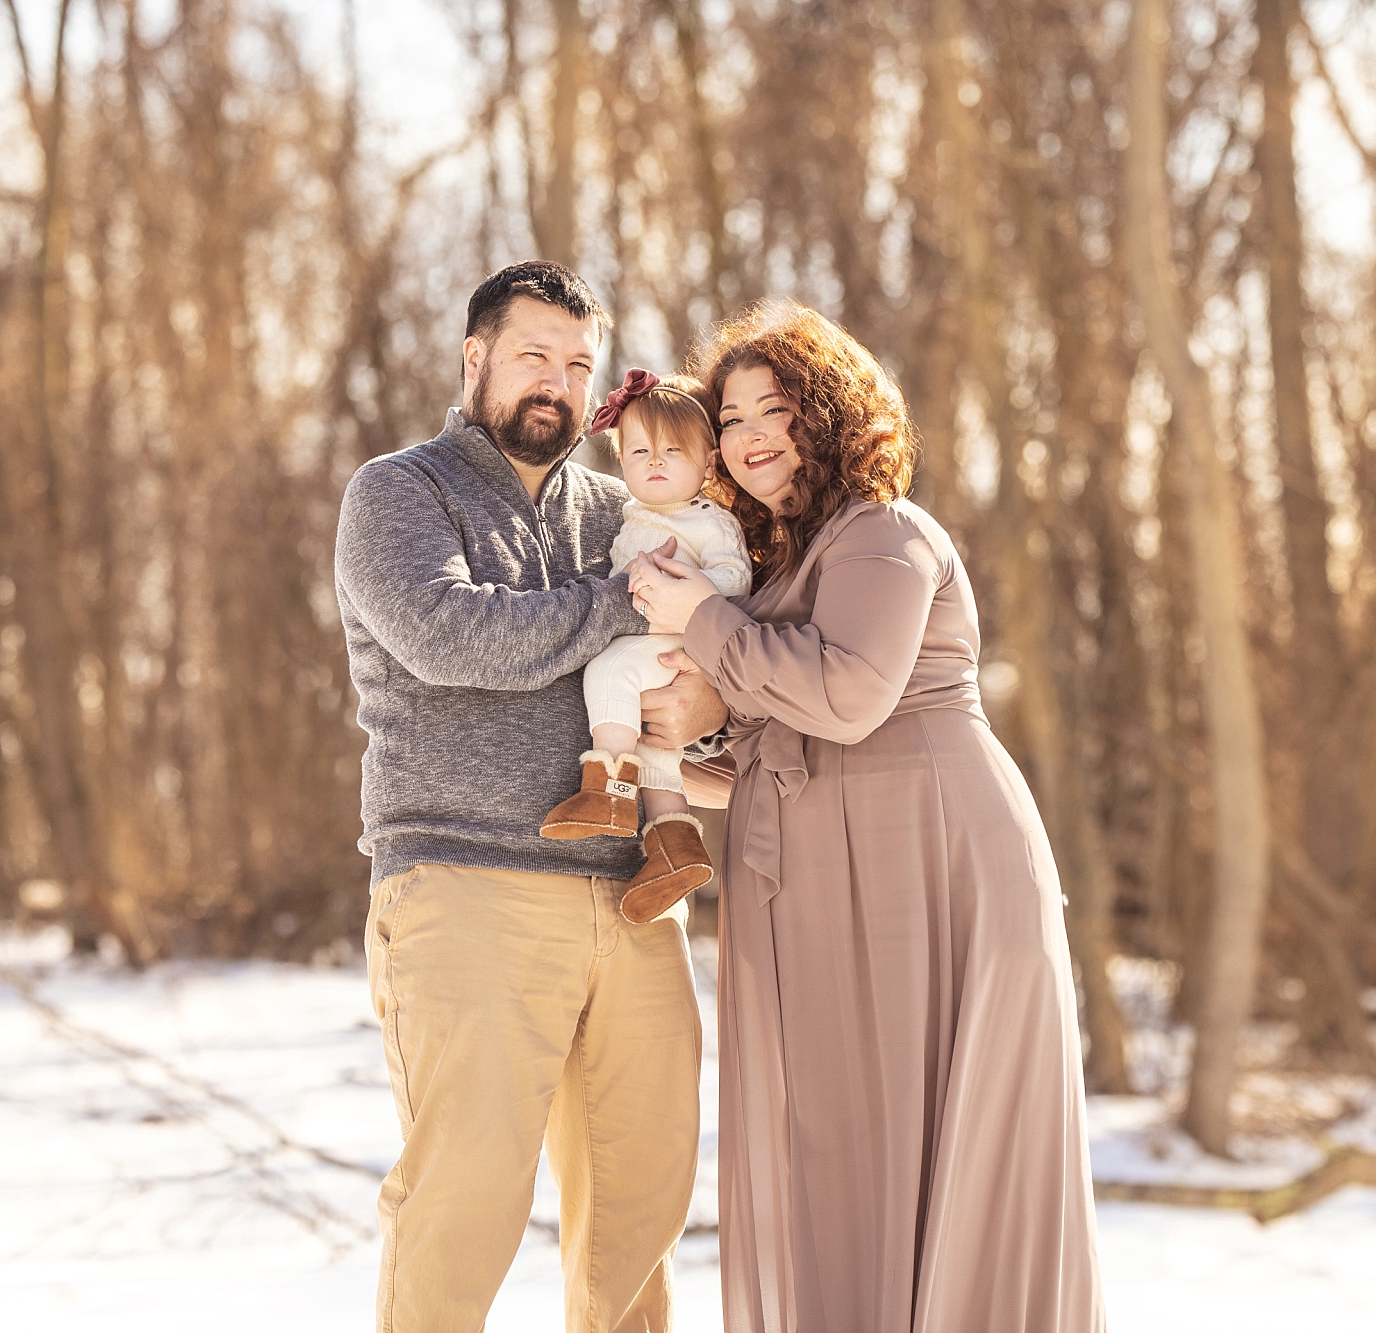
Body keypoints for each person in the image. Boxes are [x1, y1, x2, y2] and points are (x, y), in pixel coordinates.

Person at [628, 301, 1107, 1333]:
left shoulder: (882, 533)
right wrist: (660, 751)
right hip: (816, 881)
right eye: (732, 416)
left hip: (928, 867)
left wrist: (700, 622)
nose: (752, 434)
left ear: (830, 415)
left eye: (778, 409)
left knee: (924, 1143)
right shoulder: (775, 568)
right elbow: (775, 752)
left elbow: (847, 698)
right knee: (836, 1148)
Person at [333, 261, 727, 1332]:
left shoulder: (624, 505)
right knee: (462, 1204)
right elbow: (451, 638)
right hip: (467, 877)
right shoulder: (398, 493)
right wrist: (621, 602)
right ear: (477, 358)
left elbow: (696, 653)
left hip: (632, 895)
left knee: (638, 1221)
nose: (555, 381)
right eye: (532, 356)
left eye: (576, 363)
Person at [540, 368, 751, 923]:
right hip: (655, 643)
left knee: (606, 673)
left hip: (677, 643)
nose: (653, 462)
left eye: (671, 451)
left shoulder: (710, 523)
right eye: (638, 451)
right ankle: (673, 846)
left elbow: (735, 584)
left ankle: (607, 786)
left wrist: (688, 591)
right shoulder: (632, 513)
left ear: (708, 463)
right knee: (659, 750)